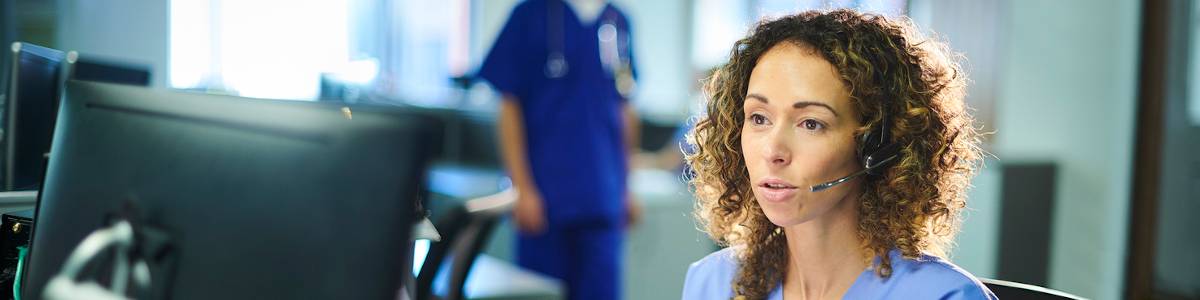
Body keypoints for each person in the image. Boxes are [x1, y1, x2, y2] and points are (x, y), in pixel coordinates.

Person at [681, 9, 995, 299]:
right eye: (759, 118)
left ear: (877, 145)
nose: (772, 151)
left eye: (811, 123)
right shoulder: (710, 282)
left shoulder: (942, 296)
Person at [477, 0, 640, 299]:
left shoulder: (616, 21)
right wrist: (521, 187)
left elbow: (624, 107)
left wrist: (627, 186)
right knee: (541, 292)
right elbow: (508, 108)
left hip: (602, 199)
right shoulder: (530, 14)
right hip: (545, 198)